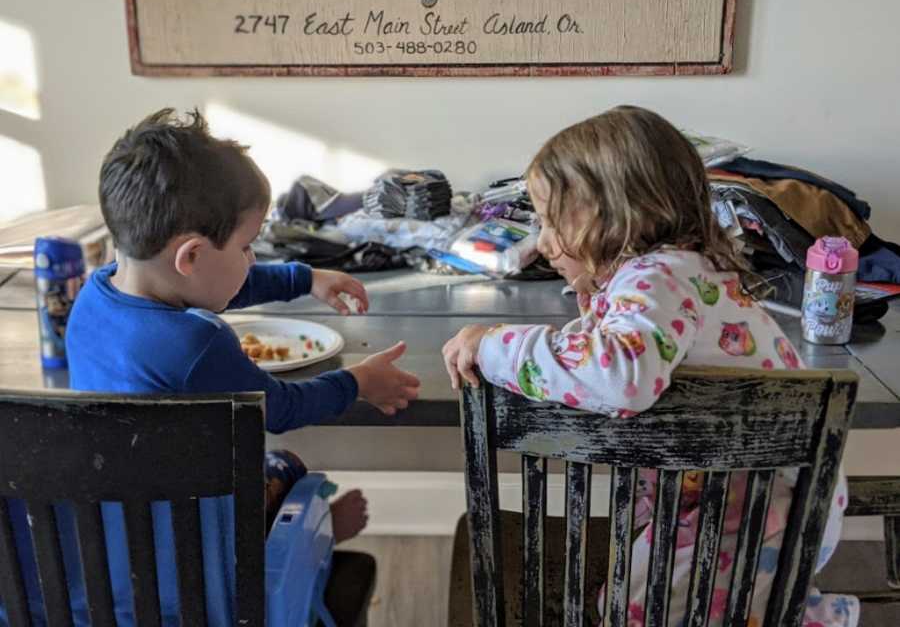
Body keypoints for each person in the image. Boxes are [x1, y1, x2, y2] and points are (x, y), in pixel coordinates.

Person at [442, 106, 857, 627]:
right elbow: (617, 347)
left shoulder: (658, 277)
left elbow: (619, 377)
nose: (541, 243)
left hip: (756, 515)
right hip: (732, 498)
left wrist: (496, 345)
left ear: (609, 215)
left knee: (631, 611)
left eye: (550, 221)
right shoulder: (680, 270)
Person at [10, 108, 420, 626]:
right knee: (286, 466)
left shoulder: (98, 293)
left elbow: (218, 283)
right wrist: (359, 381)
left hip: (107, 526)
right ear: (192, 255)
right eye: (247, 247)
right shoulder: (196, 343)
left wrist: (302, 278)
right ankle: (312, 541)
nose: (251, 259)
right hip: (184, 551)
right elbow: (283, 407)